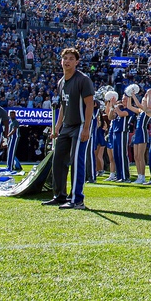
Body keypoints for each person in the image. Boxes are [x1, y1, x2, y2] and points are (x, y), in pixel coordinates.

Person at [42, 48, 95, 210]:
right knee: (58, 160)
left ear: (77, 62)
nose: (67, 61)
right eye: (65, 58)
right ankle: (59, 195)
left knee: (76, 161)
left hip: (80, 125)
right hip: (66, 126)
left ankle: (77, 199)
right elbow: (63, 107)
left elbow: (89, 104)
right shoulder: (61, 82)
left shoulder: (83, 80)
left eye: (71, 58)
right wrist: (57, 127)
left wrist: (86, 128)